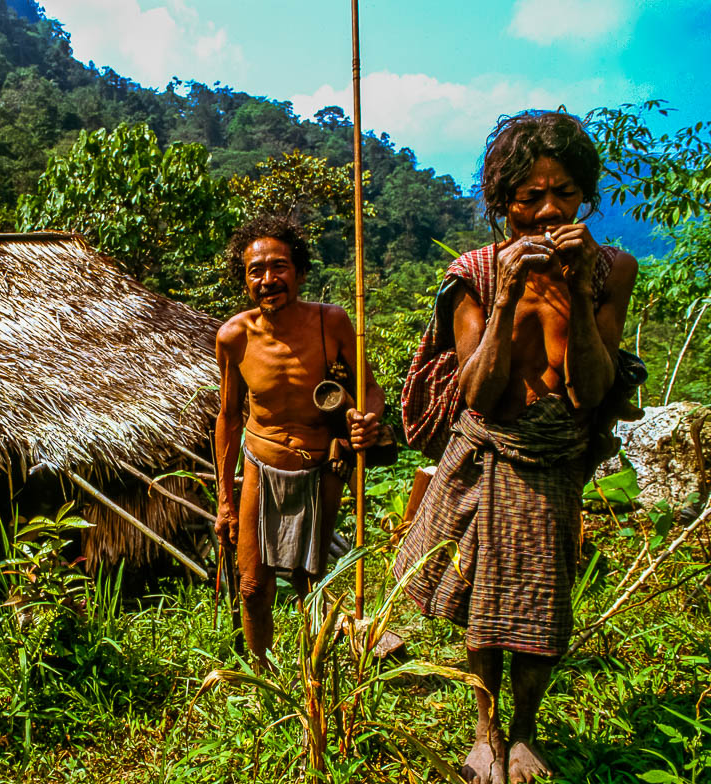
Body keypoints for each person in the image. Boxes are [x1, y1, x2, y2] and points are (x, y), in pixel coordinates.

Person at [394, 110, 637, 784]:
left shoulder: (612, 270)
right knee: (477, 599)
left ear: (584, 194)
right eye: (531, 196)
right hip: (489, 450)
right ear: (504, 204)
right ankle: (484, 732)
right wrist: (507, 298)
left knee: (539, 599)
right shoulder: (472, 272)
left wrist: (576, 287)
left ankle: (524, 733)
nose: (550, 210)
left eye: (564, 193)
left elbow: (591, 390)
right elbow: (478, 390)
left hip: (557, 456)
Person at [214, 215, 384, 670]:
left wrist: (366, 419)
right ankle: (263, 675)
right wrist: (225, 501)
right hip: (260, 463)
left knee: (311, 580)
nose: (268, 280)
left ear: (300, 272)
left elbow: (370, 388)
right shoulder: (234, 337)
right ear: (245, 279)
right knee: (252, 585)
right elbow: (229, 418)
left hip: (320, 467)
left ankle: (314, 676)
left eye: (279, 267)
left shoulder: (332, 324)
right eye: (256, 271)